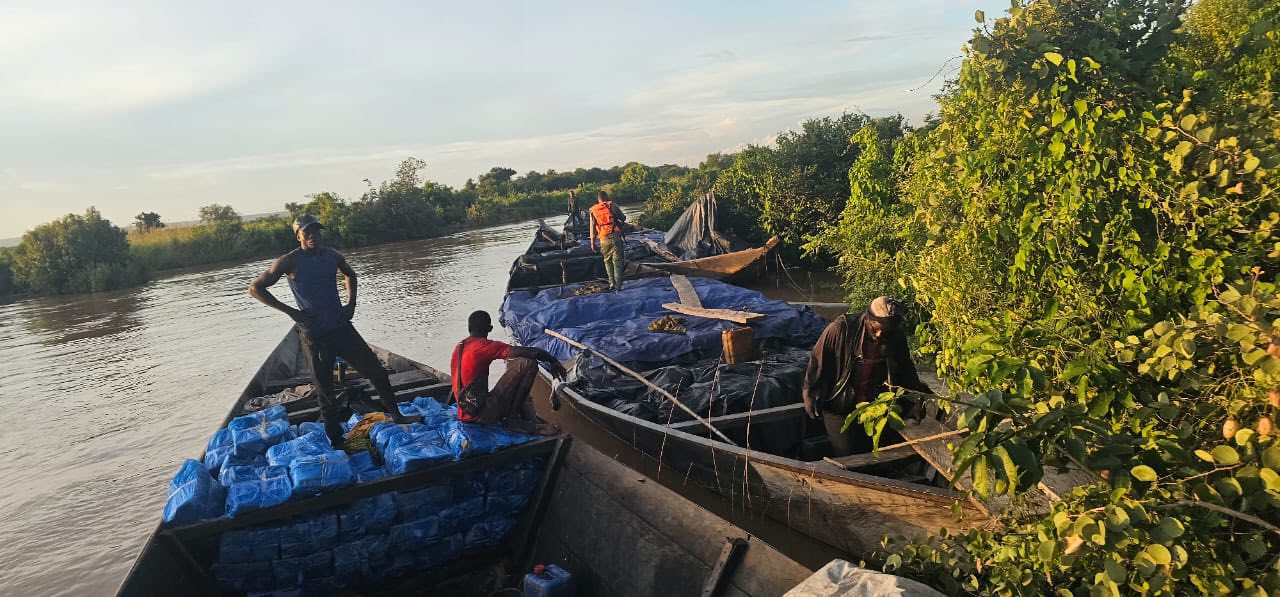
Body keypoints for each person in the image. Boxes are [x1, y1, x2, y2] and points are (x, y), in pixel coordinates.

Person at [248, 214, 414, 449]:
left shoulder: (331, 256)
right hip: (315, 336)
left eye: (316, 231)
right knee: (325, 390)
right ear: (298, 236)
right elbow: (255, 288)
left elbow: (350, 274)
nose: (313, 236)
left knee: (377, 371)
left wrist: (351, 304)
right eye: (307, 232)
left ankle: (396, 415)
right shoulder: (289, 262)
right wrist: (291, 312)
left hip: (341, 327)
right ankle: (337, 440)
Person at [801, 296, 935, 456]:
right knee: (847, 454)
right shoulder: (841, 328)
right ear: (867, 319)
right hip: (841, 405)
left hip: (878, 406)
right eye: (874, 328)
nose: (878, 335)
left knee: (878, 451)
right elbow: (817, 360)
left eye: (884, 331)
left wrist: (916, 399)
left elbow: (906, 369)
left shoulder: (896, 337)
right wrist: (808, 392)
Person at [451, 310, 567, 435]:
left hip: (465, 411)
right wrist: (553, 360)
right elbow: (533, 353)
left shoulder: (460, 346)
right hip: (481, 415)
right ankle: (514, 421)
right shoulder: (483, 346)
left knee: (523, 396)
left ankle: (523, 419)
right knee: (528, 363)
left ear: (469, 328)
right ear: (490, 329)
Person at [588, 190, 626, 291]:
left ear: (598, 200)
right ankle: (618, 285)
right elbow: (623, 218)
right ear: (607, 197)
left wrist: (592, 242)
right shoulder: (613, 205)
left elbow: (592, 228)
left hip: (603, 238)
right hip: (615, 236)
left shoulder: (593, 210)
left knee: (607, 261)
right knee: (617, 261)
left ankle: (611, 283)